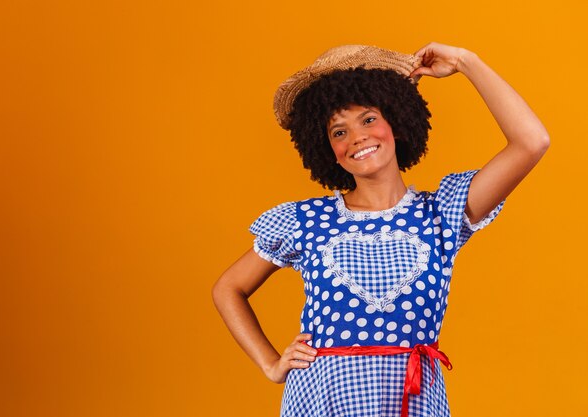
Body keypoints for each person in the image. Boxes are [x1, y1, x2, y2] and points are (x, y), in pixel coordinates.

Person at [212, 42, 549, 417]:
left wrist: (466, 62)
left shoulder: (442, 213)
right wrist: (271, 364)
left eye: (368, 119)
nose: (356, 137)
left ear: (397, 124)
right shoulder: (304, 221)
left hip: (414, 397)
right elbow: (229, 288)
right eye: (338, 132)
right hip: (321, 399)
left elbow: (531, 142)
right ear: (326, 149)